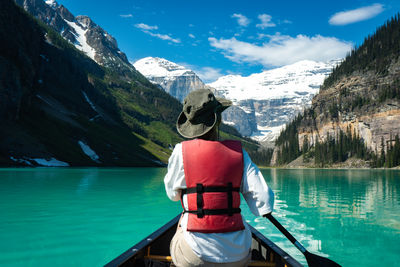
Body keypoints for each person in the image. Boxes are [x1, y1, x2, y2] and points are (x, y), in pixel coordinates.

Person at [164, 89, 274, 267]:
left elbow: (173, 195)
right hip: (236, 255)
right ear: (218, 121)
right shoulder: (240, 154)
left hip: (195, 255)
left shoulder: (180, 152)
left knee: (180, 227)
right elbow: (264, 202)